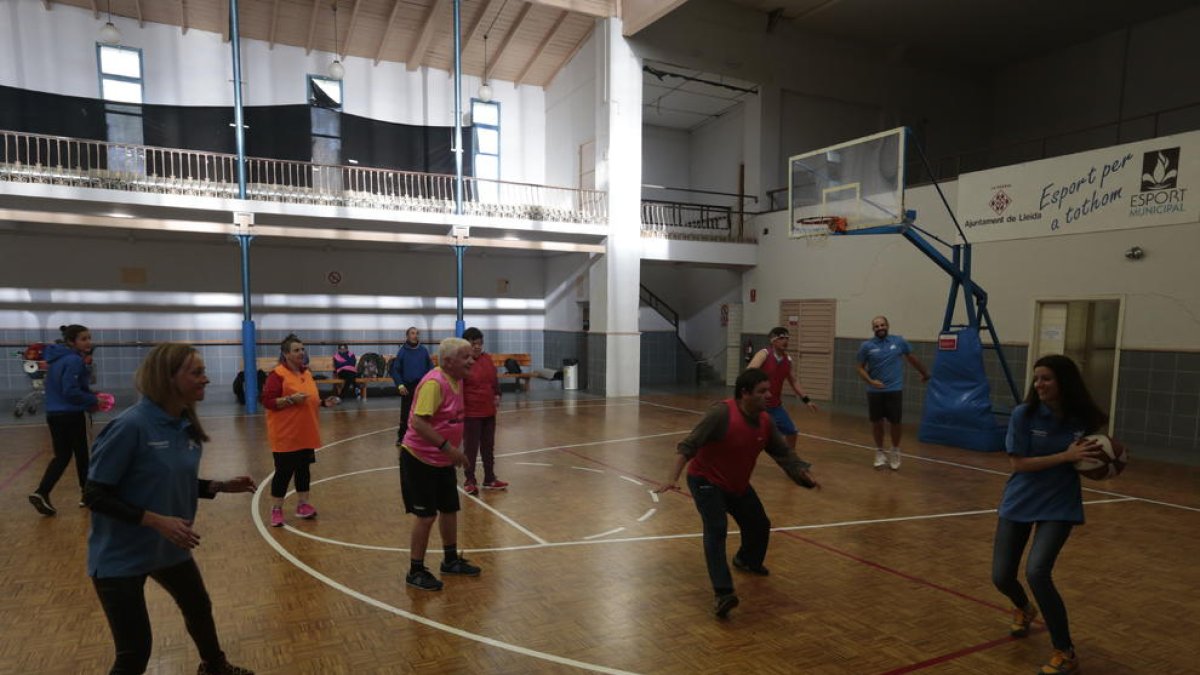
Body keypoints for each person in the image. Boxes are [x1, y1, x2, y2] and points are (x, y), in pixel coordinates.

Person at [84, 343, 256, 675]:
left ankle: (214, 667)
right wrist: (156, 521)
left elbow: (166, 480)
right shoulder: (131, 426)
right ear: (168, 377)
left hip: (167, 547)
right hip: (120, 555)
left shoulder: (183, 422)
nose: (206, 379)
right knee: (135, 653)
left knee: (198, 607)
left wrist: (219, 486)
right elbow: (94, 494)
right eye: (197, 372)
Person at [654, 368, 820, 619]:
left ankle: (746, 560)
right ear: (745, 393)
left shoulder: (765, 421)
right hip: (706, 480)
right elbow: (689, 445)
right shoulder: (721, 414)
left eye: (769, 390)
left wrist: (801, 473)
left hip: (736, 483)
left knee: (759, 524)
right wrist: (671, 477)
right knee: (716, 529)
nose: (769, 395)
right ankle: (723, 593)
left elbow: (783, 453)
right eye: (762, 391)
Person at [992, 354, 1107, 675]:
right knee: (1001, 576)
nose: (1039, 384)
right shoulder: (1024, 414)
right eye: (1037, 378)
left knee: (1038, 572)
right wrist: (1065, 456)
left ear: (1063, 382)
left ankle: (1065, 651)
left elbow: (1092, 457)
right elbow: (1018, 464)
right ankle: (1023, 607)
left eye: (1046, 378)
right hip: (1021, 500)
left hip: (1060, 503)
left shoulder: (1082, 419)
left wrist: (1104, 463)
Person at [399, 337, 483, 591]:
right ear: (447, 361)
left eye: (471, 356)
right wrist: (449, 448)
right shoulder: (434, 383)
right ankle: (415, 571)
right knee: (426, 516)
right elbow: (418, 423)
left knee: (449, 508)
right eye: (465, 357)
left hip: (442, 459)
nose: (471, 360)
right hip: (419, 458)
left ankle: (450, 560)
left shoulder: (457, 379)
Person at [261, 334, 338, 528]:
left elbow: (309, 399)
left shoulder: (307, 373)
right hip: (286, 435)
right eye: (296, 350)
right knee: (283, 473)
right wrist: (289, 400)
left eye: (302, 349)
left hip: (306, 433)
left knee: (303, 471)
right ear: (286, 354)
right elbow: (267, 401)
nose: (301, 353)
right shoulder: (277, 375)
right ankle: (276, 510)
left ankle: (303, 505)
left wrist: (323, 403)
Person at [29, 324, 99, 516]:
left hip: (53, 413)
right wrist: (94, 400)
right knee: (82, 454)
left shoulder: (56, 360)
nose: (88, 342)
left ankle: (42, 492)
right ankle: (87, 494)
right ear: (71, 341)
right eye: (83, 339)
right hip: (72, 414)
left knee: (62, 456)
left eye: (89, 338)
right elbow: (71, 391)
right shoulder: (74, 360)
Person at [855, 315, 930, 470]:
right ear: (873, 329)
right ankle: (879, 452)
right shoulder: (866, 346)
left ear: (887, 326)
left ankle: (895, 450)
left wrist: (925, 373)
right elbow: (860, 368)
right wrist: (871, 381)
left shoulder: (899, 341)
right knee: (877, 423)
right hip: (875, 391)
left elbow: (912, 359)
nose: (880, 328)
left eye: (882, 325)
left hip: (894, 390)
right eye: (876, 326)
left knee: (895, 423)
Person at [746, 326, 819, 451]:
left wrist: (806, 400)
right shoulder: (764, 354)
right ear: (773, 341)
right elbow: (750, 372)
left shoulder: (787, 360)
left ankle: (790, 458)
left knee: (791, 432)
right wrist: (759, 391)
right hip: (758, 406)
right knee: (754, 437)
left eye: (787, 338)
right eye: (781, 338)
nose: (785, 341)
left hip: (775, 406)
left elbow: (794, 381)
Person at [460, 327, 506, 495]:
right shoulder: (462, 362)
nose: (477, 346)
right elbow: (457, 388)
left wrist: (497, 394)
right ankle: (470, 480)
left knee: (488, 447)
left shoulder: (487, 359)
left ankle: (490, 478)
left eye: (480, 343)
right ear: (466, 345)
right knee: (470, 449)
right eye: (474, 344)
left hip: (489, 412)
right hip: (471, 414)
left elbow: (494, 380)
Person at [391, 327, 433, 446]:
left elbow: (430, 368)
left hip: (422, 387)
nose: (415, 335)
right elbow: (395, 370)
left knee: (423, 414)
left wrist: (430, 383)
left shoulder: (423, 351)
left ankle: (423, 437)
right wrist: (400, 385)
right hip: (407, 387)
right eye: (413, 333)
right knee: (405, 414)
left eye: (417, 333)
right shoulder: (402, 351)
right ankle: (402, 437)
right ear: (407, 336)